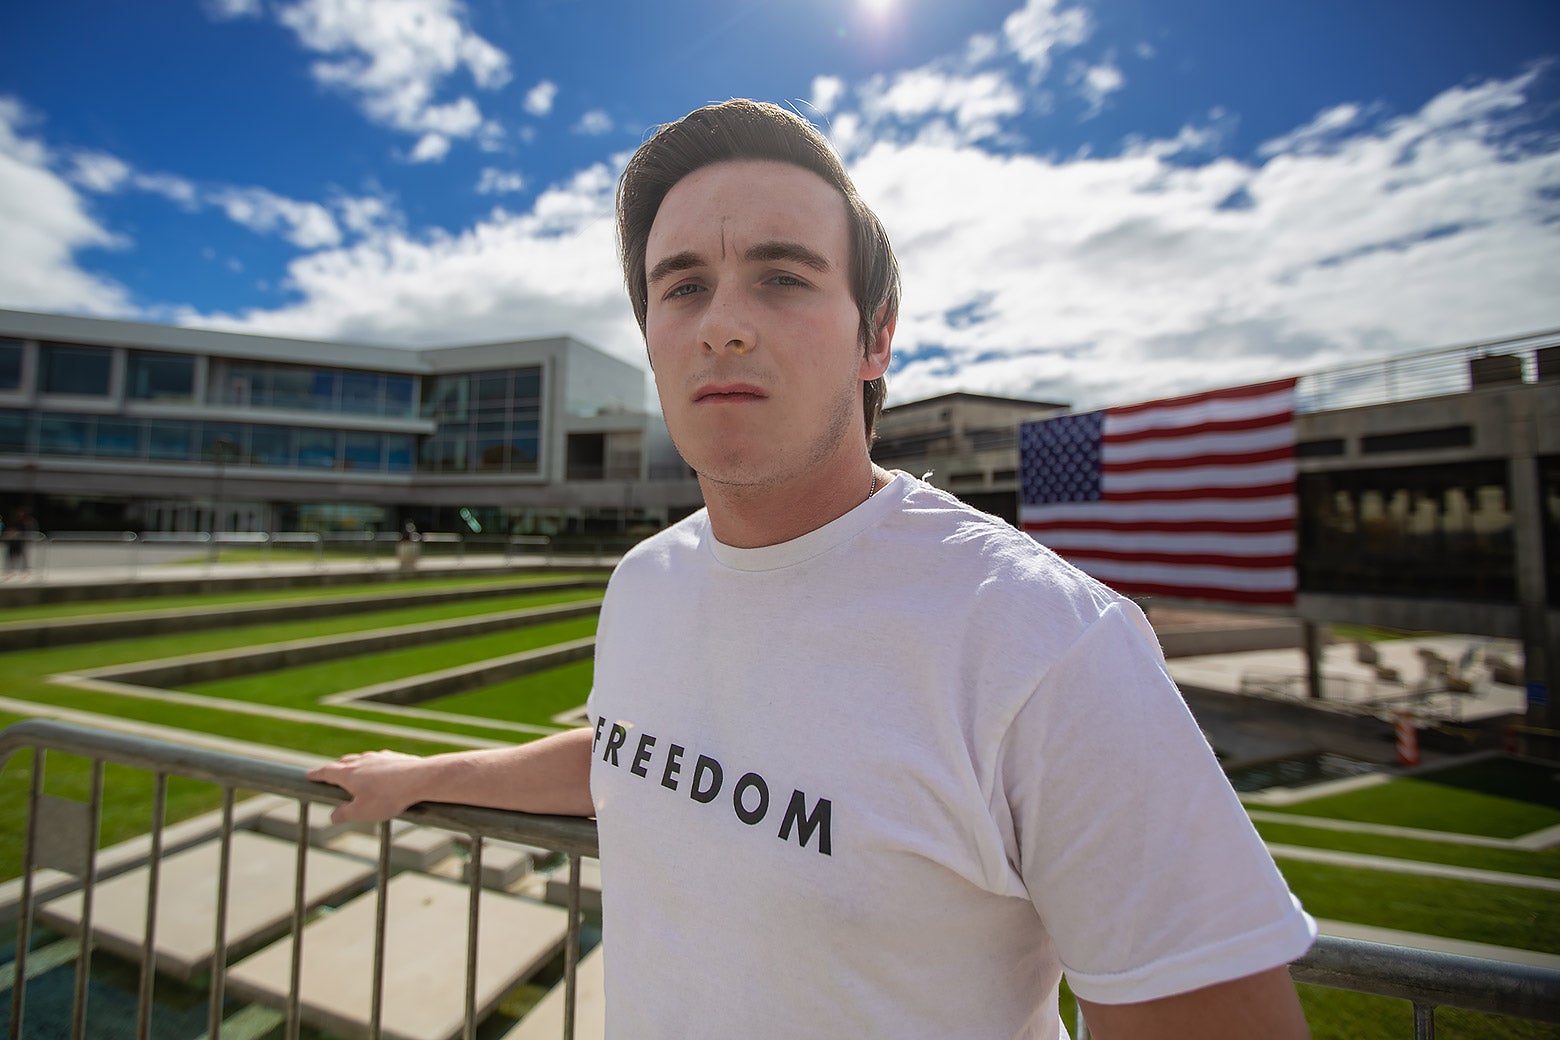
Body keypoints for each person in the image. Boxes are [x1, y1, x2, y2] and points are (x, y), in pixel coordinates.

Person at [310, 99, 1315, 1039]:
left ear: (876, 337)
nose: (722, 323)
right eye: (682, 287)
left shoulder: (1042, 639)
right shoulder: (643, 581)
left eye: (783, 277)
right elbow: (632, 757)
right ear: (652, 339)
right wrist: (427, 776)